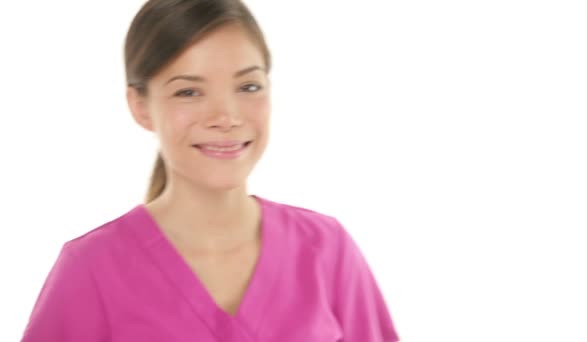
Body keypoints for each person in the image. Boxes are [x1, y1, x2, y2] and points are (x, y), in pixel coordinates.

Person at [20, 0, 400, 341]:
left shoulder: (325, 249)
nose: (226, 117)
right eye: (189, 91)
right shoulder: (90, 270)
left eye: (248, 86)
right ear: (140, 105)